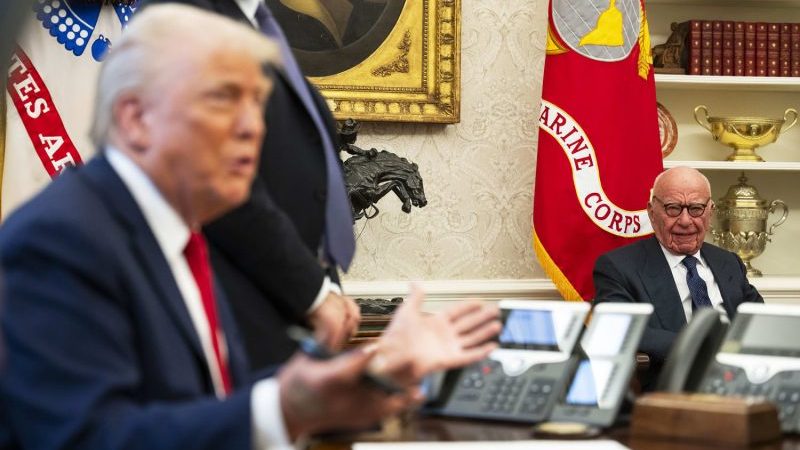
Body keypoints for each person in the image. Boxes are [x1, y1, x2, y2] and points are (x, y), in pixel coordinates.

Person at [0, 6, 501, 449]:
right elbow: (88, 439)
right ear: (135, 118)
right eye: (224, 99)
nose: (252, 127)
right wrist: (283, 407)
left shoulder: (184, 240)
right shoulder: (59, 243)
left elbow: (209, 407)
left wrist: (372, 372)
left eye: (256, 104)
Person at [140, 0, 363, 369]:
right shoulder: (188, 13)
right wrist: (313, 292)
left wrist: (326, 285)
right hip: (232, 318)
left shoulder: (259, 21)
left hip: (285, 313)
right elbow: (212, 173)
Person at [593, 166, 763, 365]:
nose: (685, 221)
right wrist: (706, 347)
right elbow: (618, 329)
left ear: (710, 211)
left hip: (740, 374)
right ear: (652, 212)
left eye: (696, 209)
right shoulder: (619, 267)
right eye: (673, 208)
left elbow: (759, 321)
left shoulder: (729, 262)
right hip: (674, 377)